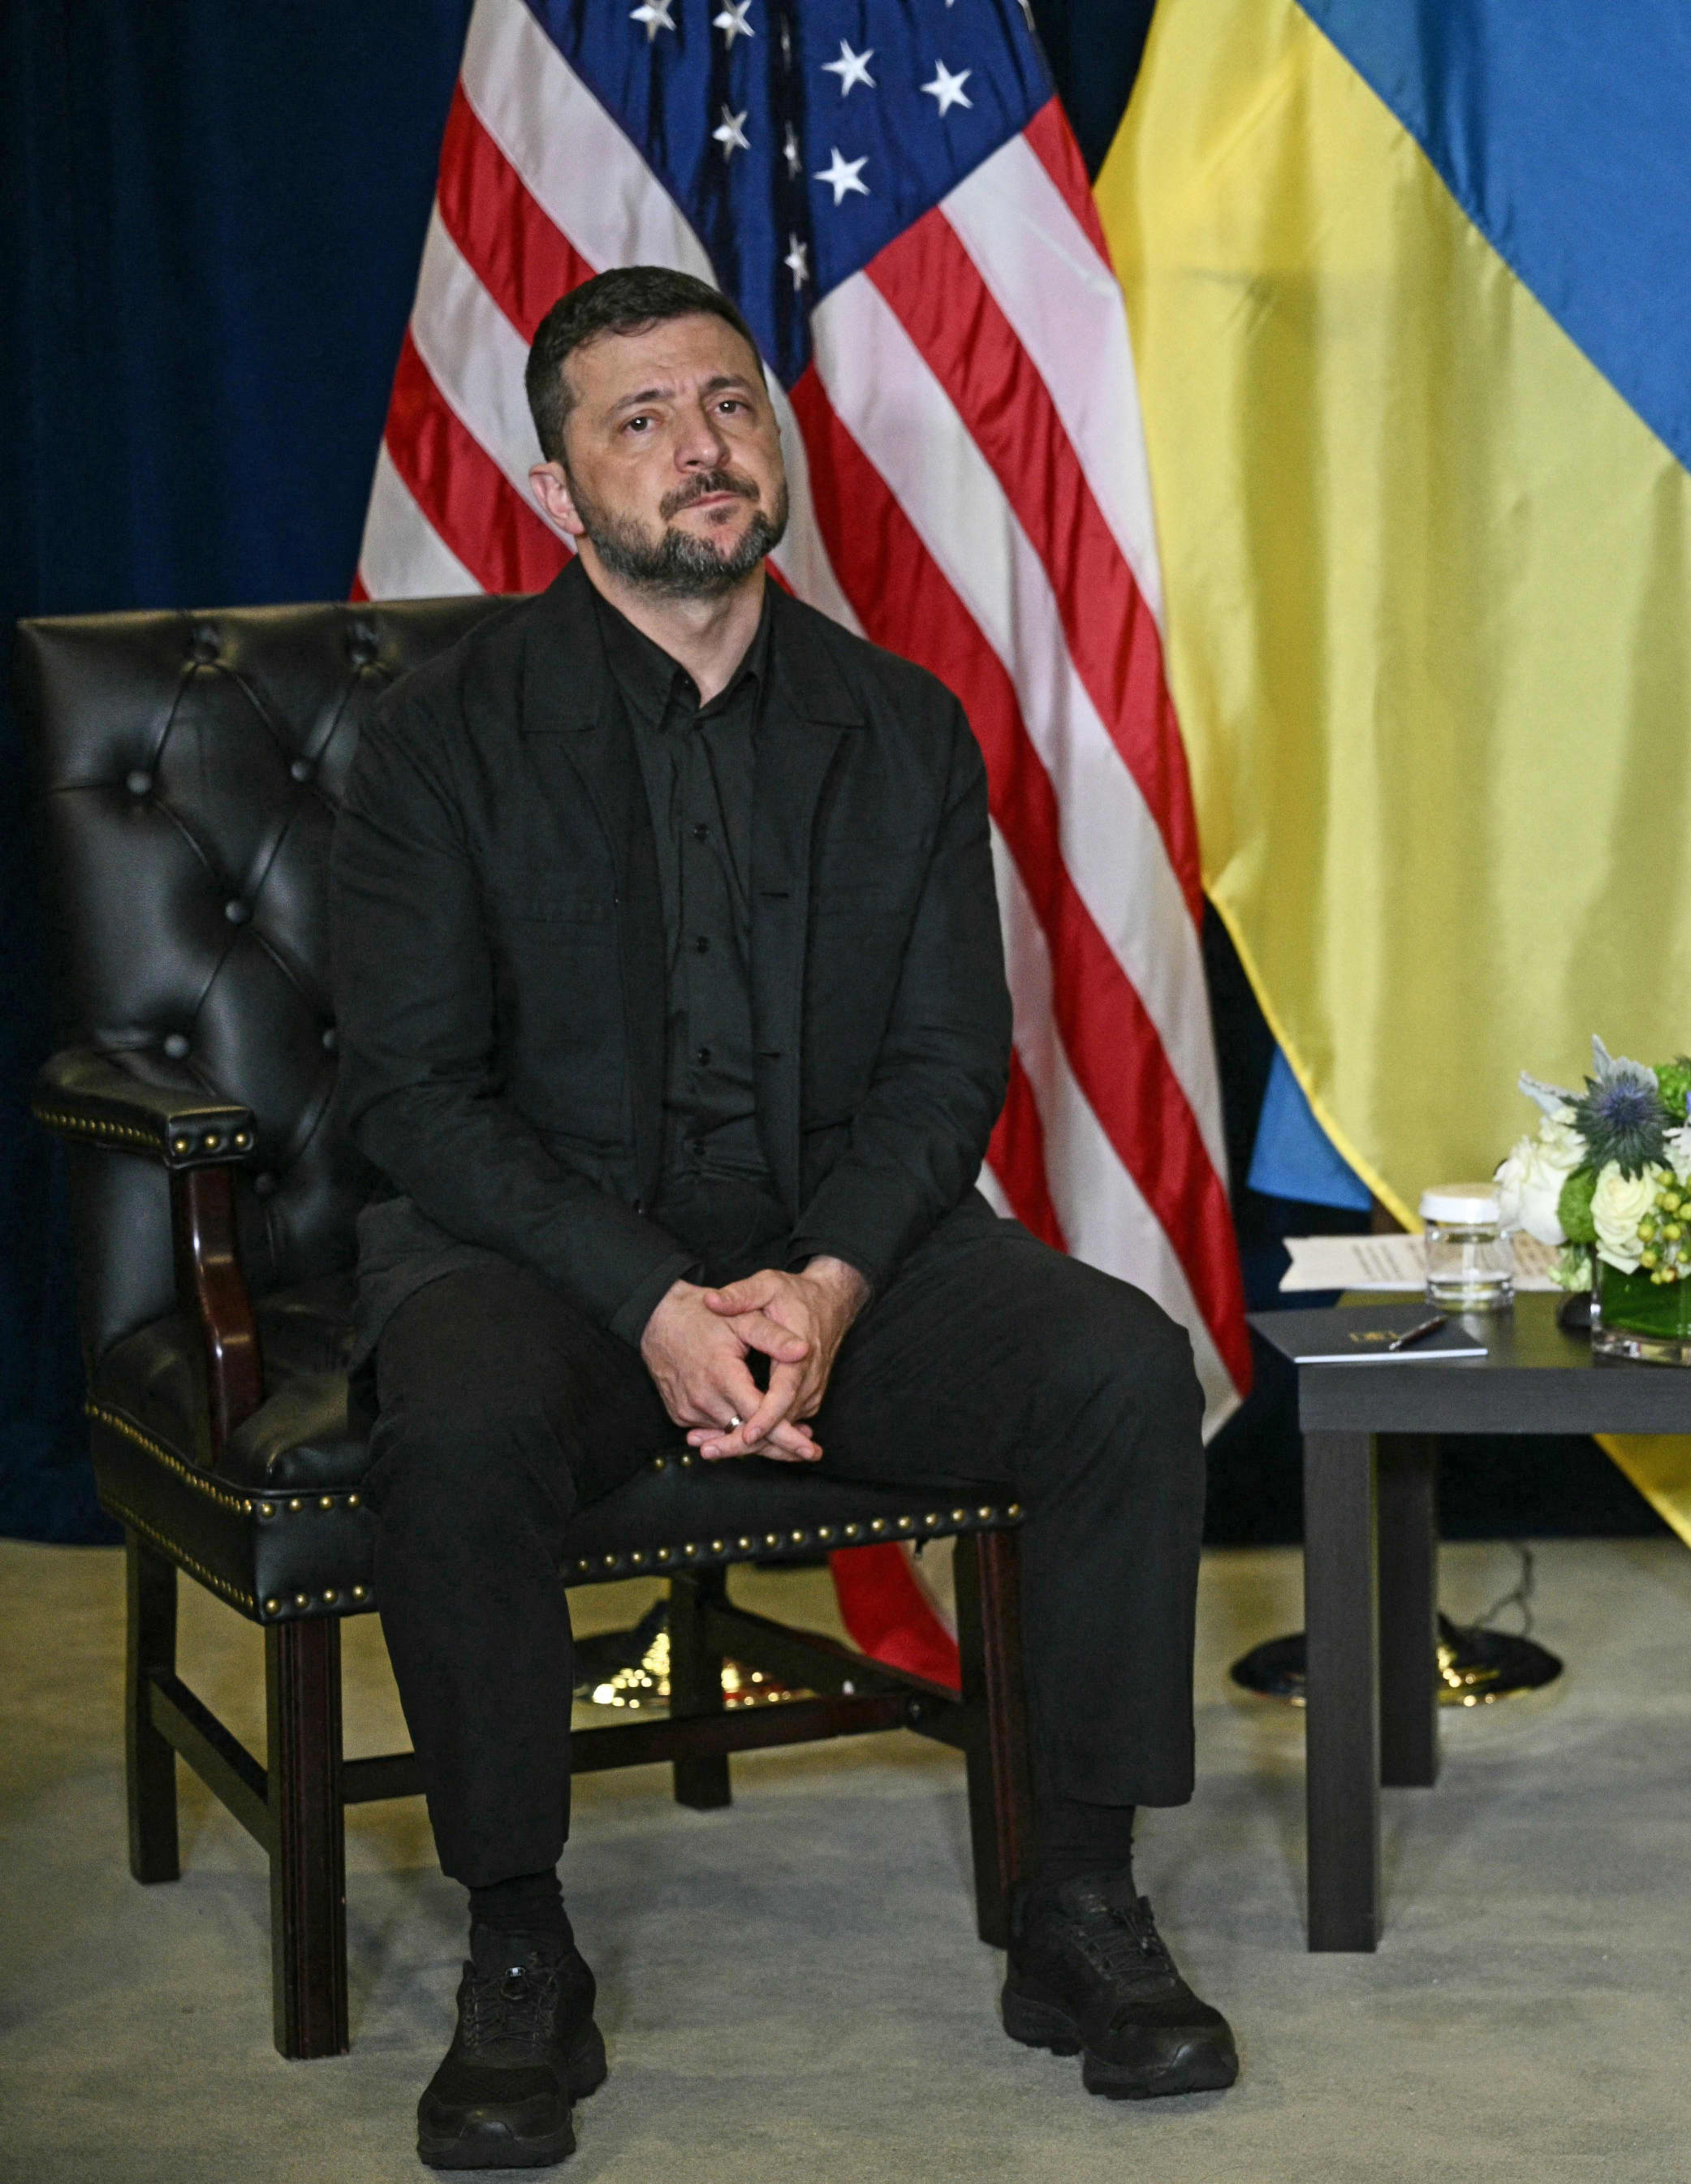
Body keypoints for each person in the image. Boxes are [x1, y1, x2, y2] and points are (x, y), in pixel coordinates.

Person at [333, 266, 1235, 2171]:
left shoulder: (900, 724)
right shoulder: (437, 738)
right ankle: (520, 1943)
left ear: (777, 438)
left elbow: (944, 1063)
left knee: (1118, 1370)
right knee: (462, 1424)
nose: (701, 448)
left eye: (730, 404)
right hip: (541, 1257)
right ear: (557, 487)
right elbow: (416, 1095)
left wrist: (825, 1285)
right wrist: (656, 1302)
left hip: (844, 1245)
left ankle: (1077, 1905)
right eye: (640, 420)